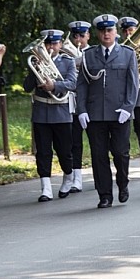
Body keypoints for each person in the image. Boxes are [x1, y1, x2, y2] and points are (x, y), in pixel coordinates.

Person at [76, 14, 139, 208]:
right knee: (98, 155)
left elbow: (133, 84)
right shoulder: (88, 55)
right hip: (95, 114)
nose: (106, 34)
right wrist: (82, 110)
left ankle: (123, 183)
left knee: (121, 153)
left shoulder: (128, 54)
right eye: (103, 30)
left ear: (116, 32)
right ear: (97, 33)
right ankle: (104, 194)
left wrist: (128, 107)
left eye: (110, 30)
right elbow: (82, 85)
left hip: (119, 112)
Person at [23, 30, 77, 201]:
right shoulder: (36, 62)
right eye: (48, 44)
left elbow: (73, 83)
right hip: (41, 113)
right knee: (43, 152)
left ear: (60, 45)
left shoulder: (67, 62)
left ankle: (68, 177)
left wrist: (54, 85)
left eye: (54, 44)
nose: (51, 47)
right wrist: (34, 70)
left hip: (61, 112)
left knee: (64, 151)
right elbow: (26, 87)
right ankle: (45, 188)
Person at [119, 16, 140, 176]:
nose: (128, 34)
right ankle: (123, 163)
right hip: (122, 92)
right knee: (122, 128)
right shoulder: (119, 49)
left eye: (131, 31)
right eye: (125, 31)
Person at [66, 20, 91, 191]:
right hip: (74, 101)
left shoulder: (93, 53)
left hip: (91, 102)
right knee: (74, 142)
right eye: (75, 36)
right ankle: (77, 179)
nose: (78, 39)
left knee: (98, 141)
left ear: (88, 36)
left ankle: (100, 173)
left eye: (82, 35)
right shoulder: (65, 54)